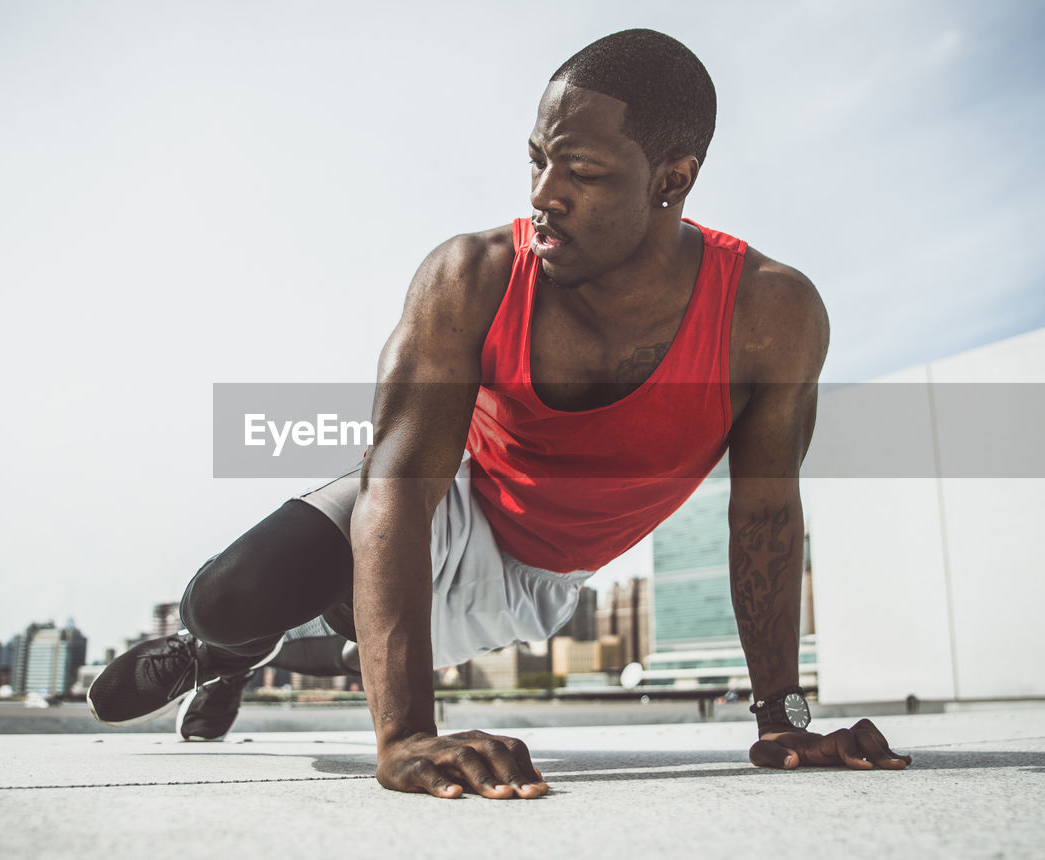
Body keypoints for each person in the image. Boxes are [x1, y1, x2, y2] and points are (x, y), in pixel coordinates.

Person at [88, 28, 912, 798]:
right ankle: (216, 653)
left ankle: (254, 657)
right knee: (231, 597)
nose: (545, 195)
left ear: (673, 178)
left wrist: (783, 719)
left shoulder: (770, 314)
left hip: (540, 576)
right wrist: (406, 737)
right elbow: (398, 488)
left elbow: (766, 513)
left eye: (582, 173)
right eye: (536, 161)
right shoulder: (473, 275)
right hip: (452, 493)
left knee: (352, 644)